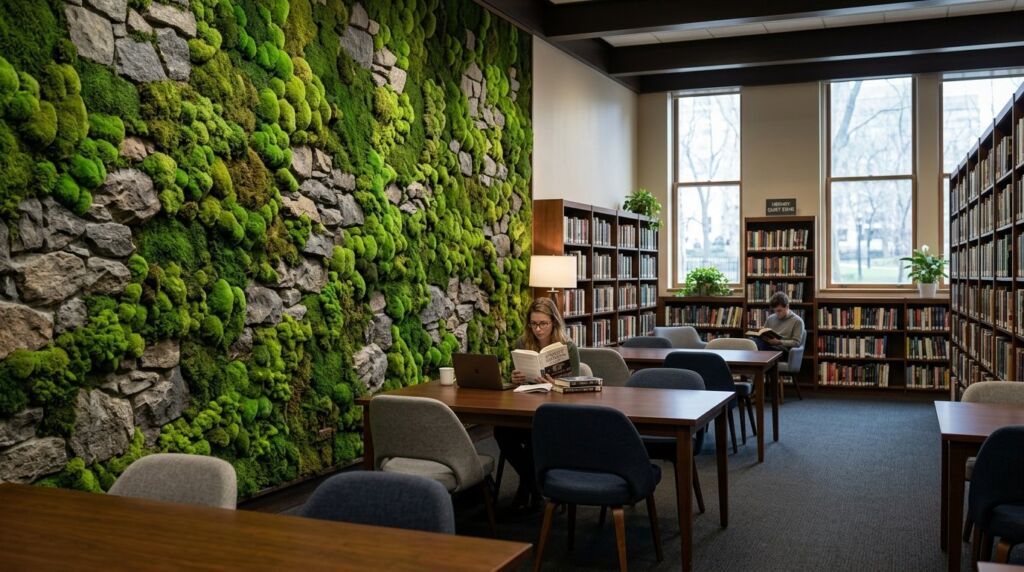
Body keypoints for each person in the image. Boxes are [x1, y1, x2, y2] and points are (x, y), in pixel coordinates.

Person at [494, 297, 579, 513]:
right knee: (501, 430)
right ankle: (536, 486)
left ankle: (527, 488)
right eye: (534, 324)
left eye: (543, 324)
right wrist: (515, 378)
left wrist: (557, 383)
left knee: (536, 436)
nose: (538, 329)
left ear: (554, 323)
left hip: (556, 414)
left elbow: (577, 386)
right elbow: (510, 379)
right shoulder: (523, 344)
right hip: (527, 406)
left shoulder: (568, 347)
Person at [751, 291, 805, 356]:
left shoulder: (798, 321)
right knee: (750, 341)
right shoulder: (770, 318)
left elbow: (796, 343)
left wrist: (779, 342)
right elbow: (763, 334)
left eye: (779, 311)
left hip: (782, 351)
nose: (777, 313)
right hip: (768, 346)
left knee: (757, 346)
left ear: (787, 307)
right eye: (775, 311)